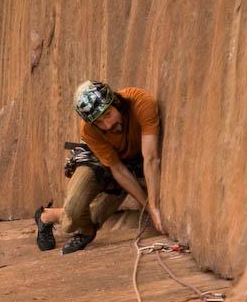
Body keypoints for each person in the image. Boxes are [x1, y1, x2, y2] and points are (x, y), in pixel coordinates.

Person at [34, 80, 163, 254]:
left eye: (108, 114)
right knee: (74, 211)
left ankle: (49, 216)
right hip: (95, 159)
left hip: (130, 162)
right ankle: (83, 230)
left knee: (87, 217)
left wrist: (153, 206)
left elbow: (151, 159)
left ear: (116, 102)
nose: (107, 125)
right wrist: (148, 207)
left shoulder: (141, 103)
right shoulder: (90, 129)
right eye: (99, 122)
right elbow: (117, 170)